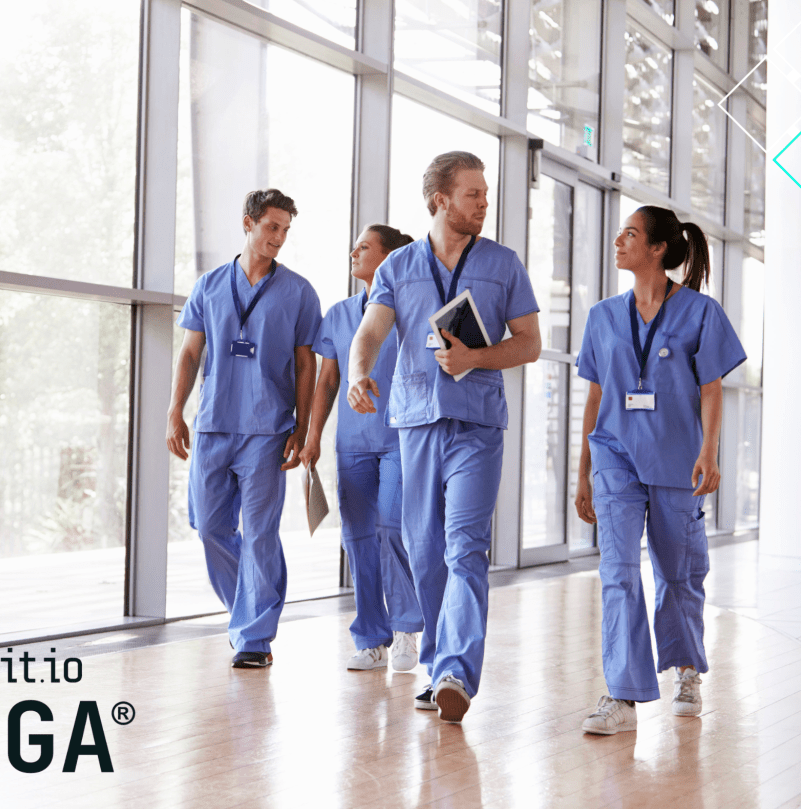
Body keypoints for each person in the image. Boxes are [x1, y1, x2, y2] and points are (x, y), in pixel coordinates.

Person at [347, 152, 542, 723]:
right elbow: (370, 333)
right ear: (440, 200)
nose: (485, 203)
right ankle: (437, 665)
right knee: (426, 550)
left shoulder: (504, 265)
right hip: (415, 423)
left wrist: (476, 357)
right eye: (473, 194)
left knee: (464, 546)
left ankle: (456, 668)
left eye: (485, 194)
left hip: (477, 424)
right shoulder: (398, 267)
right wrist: (360, 373)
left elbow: (528, 342)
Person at [574, 205, 746, 735]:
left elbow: (712, 387)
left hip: (676, 458)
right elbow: (596, 393)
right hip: (615, 458)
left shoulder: (701, 312)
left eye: (631, 233)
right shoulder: (603, 316)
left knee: (678, 573)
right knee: (618, 572)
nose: (619, 239)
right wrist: (582, 471)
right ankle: (622, 695)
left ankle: (687, 668)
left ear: (658, 250)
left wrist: (709, 452)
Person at [166, 188, 321, 669]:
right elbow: (192, 352)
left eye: (285, 230)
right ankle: (245, 613)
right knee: (210, 527)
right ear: (248, 224)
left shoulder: (298, 291)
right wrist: (175, 410)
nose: (278, 238)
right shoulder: (210, 285)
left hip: (268, 428)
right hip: (214, 425)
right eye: (272, 227)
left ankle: (254, 637)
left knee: (259, 534)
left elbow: (305, 364)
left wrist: (302, 424)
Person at [299, 224, 424, 673]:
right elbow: (328, 380)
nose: (354, 251)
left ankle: (408, 627)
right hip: (351, 444)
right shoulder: (338, 314)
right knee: (357, 539)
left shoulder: (411, 311)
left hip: (400, 438)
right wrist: (312, 437)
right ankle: (372, 637)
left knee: (391, 527)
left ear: (391, 258)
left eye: (365, 247)